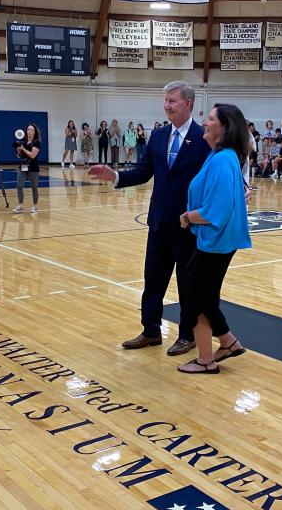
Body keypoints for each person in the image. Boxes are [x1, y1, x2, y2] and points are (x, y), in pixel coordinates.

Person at [89, 81, 210, 356]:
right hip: (158, 223)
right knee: (153, 280)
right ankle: (151, 330)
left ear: (188, 104)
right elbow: (143, 172)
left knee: (187, 284)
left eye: (173, 101)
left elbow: (216, 173)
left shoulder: (203, 139)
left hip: (189, 225)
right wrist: (116, 176)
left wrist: (240, 188)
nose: (167, 106)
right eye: (166, 101)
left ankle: (187, 335)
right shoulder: (157, 135)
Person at [176, 103, 252, 374]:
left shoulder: (222, 159)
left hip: (215, 241)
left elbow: (216, 211)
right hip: (216, 240)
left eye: (210, 119)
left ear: (224, 127)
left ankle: (206, 361)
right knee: (205, 297)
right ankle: (228, 343)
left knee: (195, 299)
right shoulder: (221, 156)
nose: (204, 123)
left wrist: (187, 217)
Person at [13, 124, 41, 214]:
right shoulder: (23, 141)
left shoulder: (37, 142)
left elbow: (32, 155)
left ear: (35, 132)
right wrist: (18, 150)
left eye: (32, 130)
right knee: (19, 186)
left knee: (34, 188)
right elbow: (19, 156)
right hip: (23, 166)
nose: (29, 131)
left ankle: (35, 206)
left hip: (33, 167)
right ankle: (20, 206)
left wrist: (23, 148)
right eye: (28, 129)